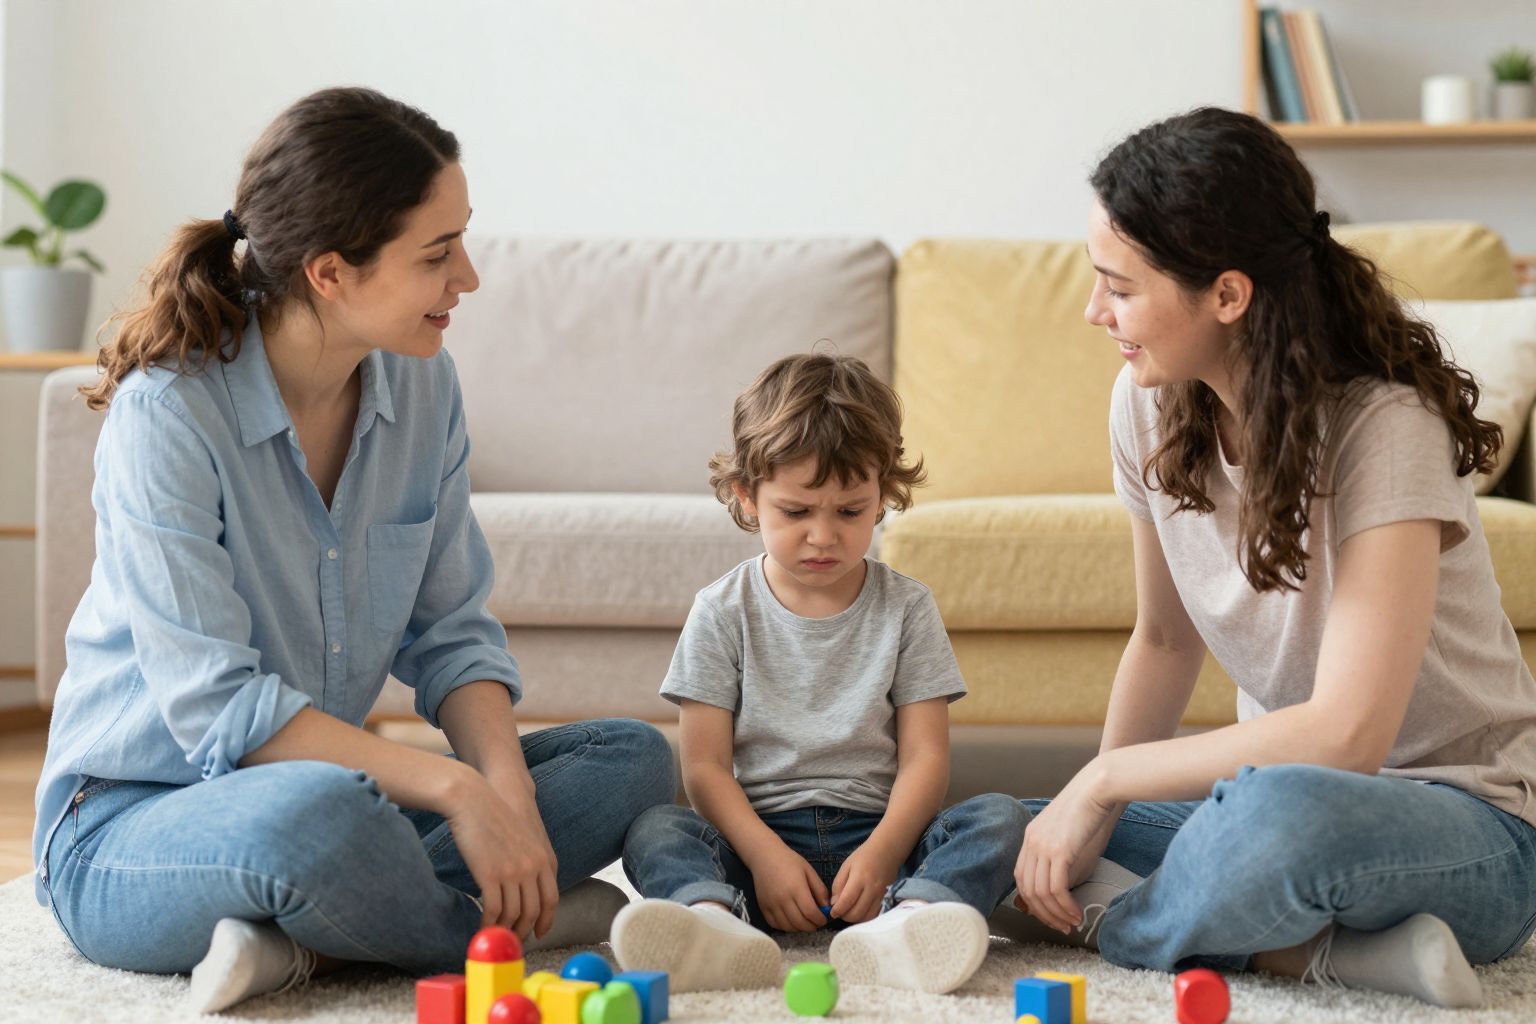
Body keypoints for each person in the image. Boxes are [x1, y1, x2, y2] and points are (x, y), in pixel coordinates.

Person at [32, 87, 675, 1014]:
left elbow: (452, 632)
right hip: (129, 827)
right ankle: (493, 928)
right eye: (438, 254)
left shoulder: (423, 389)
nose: (468, 277)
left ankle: (311, 942)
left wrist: (504, 792)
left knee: (631, 758)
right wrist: (457, 791)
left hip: (336, 802)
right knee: (318, 818)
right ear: (331, 273)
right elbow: (220, 709)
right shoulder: (168, 415)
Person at [991, 107, 1536, 1009]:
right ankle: (1323, 954)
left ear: (1228, 295)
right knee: (989, 833)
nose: (1095, 311)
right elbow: (1165, 641)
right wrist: (1091, 816)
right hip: (1272, 802)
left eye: (1119, 287)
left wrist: (1105, 780)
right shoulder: (1145, 402)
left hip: (1465, 825)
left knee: (1270, 822)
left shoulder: (1385, 426)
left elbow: (1348, 736)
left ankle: (1131, 927)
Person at [611, 353, 1028, 995]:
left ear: (883, 496)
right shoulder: (721, 610)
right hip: (758, 843)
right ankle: (714, 921)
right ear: (747, 496)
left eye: (850, 512)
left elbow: (925, 759)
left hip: (883, 839)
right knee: (655, 831)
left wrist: (885, 853)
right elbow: (704, 768)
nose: (823, 537)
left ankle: (912, 920)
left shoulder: (907, 607)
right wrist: (765, 858)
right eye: (797, 512)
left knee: (1002, 818)